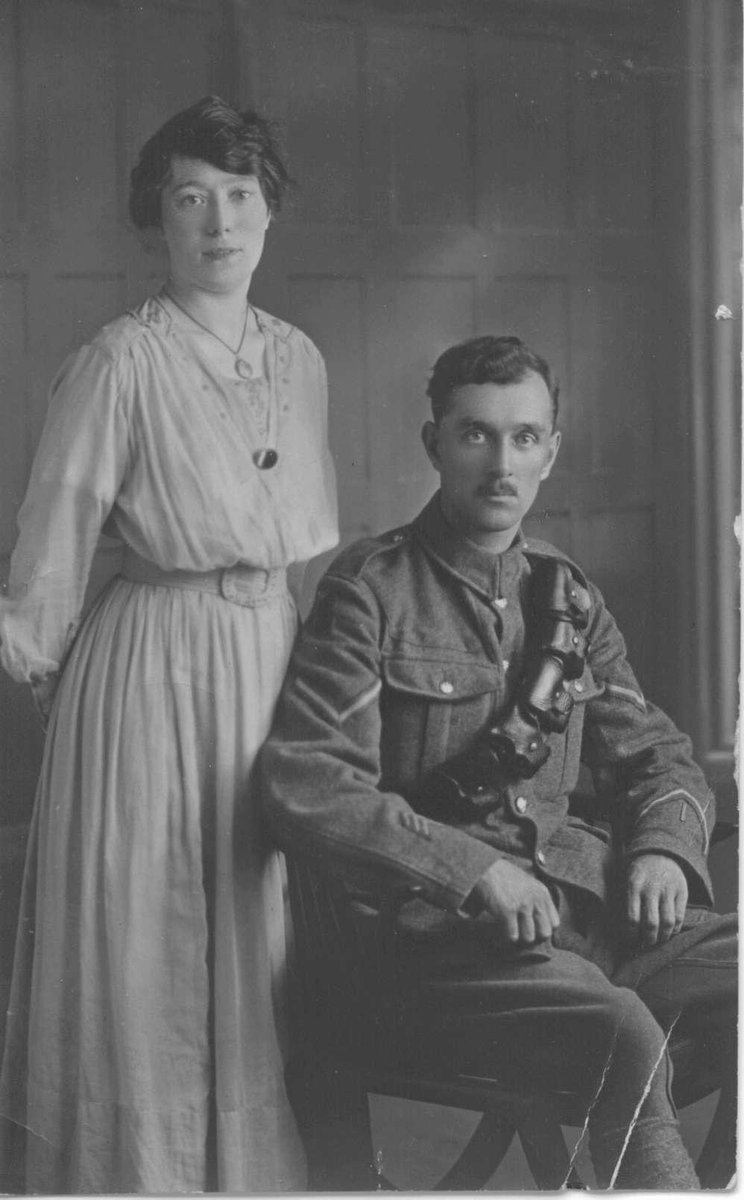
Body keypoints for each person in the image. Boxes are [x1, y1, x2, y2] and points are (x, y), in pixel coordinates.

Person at [260, 335, 736, 1190]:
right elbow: (308, 781)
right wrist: (470, 868)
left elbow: (660, 755)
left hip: (581, 924)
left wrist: (666, 848)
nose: (501, 463)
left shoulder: (566, 596)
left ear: (552, 451)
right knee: (625, 1030)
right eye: (476, 435)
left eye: (524, 438)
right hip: (432, 951)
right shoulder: (372, 590)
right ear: (433, 443)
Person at [0, 95, 337, 1193]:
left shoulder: (301, 359)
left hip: (270, 654)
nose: (219, 222)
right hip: (149, 670)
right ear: (158, 220)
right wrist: (48, 681)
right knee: (150, 924)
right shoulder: (116, 362)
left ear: (269, 211)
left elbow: (299, 535)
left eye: (240, 196)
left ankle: (246, 1171)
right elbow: (49, 549)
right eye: (190, 199)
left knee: (255, 912)